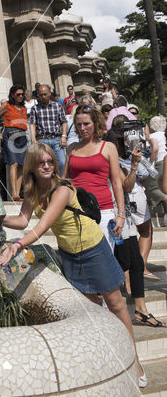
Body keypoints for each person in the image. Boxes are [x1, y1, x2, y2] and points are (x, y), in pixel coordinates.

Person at [0, 143, 147, 387]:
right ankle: (104, 359)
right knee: (89, 308)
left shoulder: (62, 189)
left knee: (116, 304)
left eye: (50, 162)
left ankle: (135, 360)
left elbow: (43, 225)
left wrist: (17, 246)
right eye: (41, 163)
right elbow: (23, 220)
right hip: (70, 254)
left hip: (92, 247)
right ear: (32, 167)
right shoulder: (33, 190)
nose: (47, 166)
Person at [108, 120, 164, 291]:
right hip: (131, 195)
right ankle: (141, 268)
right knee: (144, 232)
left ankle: (131, 277)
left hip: (118, 200)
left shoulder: (110, 154)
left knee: (126, 241)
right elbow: (146, 174)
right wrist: (137, 162)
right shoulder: (127, 156)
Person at [64, 105, 125, 250]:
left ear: (95, 123)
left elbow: (117, 183)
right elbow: (65, 181)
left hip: (103, 210)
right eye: (79, 124)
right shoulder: (71, 148)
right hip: (76, 210)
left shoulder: (108, 147)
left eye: (86, 124)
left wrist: (121, 215)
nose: (82, 128)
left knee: (105, 259)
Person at [0, 84, 28, 201]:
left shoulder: (24, 108)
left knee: (21, 165)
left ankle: (18, 193)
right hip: (10, 134)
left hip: (22, 135)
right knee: (13, 163)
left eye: (22, 94)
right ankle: (14, 193)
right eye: (18, 94)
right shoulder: (6, 105)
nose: (21, 96)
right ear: (12, 94)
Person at [29, 84, 67, 174]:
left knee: (62, 163)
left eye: (45, 94)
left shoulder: (57, 106)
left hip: (56, 139)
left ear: (50, 93)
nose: (43, 97)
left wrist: (64, 136)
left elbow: (64, 122)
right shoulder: (35, 108)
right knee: (43, 165)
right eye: (41, 95)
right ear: (38, 95)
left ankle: (61, 183)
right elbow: (32, 124)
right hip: (42, 140)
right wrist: (33, 139)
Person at [145, 116, 167, 228]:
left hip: (160, 162)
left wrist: (150, 163)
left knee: (152, 188)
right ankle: (164, 220)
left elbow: (155, 148)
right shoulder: (164, 135)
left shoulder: (153, 136)